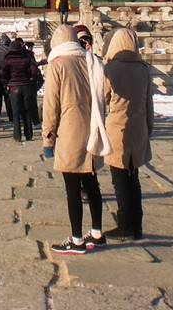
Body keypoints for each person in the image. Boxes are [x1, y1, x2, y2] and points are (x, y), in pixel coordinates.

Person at [42, 24, 111, 255]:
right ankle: (98, 233)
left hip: (70, 131)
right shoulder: (92, 61)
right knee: (92, 185)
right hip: (93, 127)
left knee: (72, 188)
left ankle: (77, 239)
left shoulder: (58, 64)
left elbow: (51, 105)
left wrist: (48, 138)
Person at [103, 28, 153, 240]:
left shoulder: (110, 69)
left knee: (120, 177)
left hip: (118, 126)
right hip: (138, 126)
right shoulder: (144, 69)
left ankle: (125, 224)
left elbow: (104, 97)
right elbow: (149, 102)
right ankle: (137, 225)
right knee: (134, 177)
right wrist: (148, 128)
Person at [2, 39, 42, 143]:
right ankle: (28, 134)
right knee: (27, 111)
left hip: (14, 86)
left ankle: (17, 135)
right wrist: (30, 78)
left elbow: (3, 72)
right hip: (25, 85)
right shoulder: (26, 58)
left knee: (16, 112)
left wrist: (7, 80)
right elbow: (34, 70)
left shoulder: (8, 59)